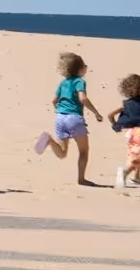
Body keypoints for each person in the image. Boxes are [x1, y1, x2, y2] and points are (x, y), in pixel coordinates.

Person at [31, 52, 103, 185]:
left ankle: (49, 140)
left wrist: (61, 111)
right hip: (74, 118)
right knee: (84, 151)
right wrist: (96, 113)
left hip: (60, 117)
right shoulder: (79, 81)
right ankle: (81, 179)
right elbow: (83, 98)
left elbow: (54, 101)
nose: (86, 67)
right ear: (80, 69)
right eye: (84, 65)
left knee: (62, 153)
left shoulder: (63, 83)